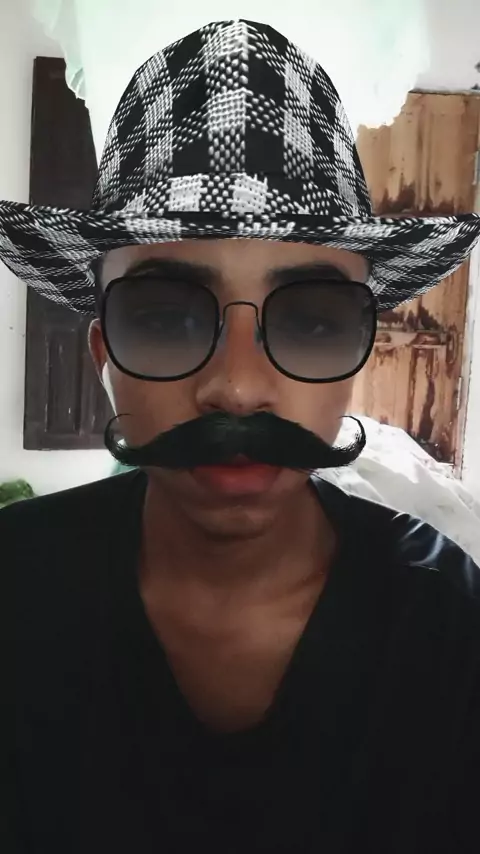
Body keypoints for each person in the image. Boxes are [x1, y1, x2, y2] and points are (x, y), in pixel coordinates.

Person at [2, 20, 480, 854]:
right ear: (103, 353)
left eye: (312, 320)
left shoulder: (447, 627)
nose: (237, 385)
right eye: (164, 317)